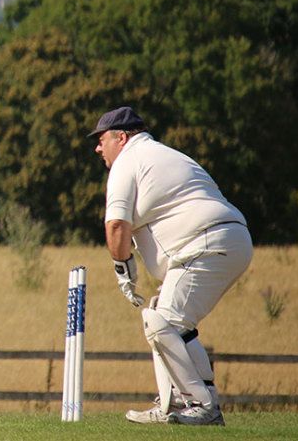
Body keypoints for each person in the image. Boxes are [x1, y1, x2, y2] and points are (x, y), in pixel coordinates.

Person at [89, 107, 252, 426]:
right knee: (166, 316)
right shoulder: (166, 155)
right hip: (229, 237)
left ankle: (202, 406)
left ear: (121, 138)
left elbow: (117, 226)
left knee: (162, 321)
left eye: (101, 139)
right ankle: (173, 403)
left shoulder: (127, 161)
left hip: (206, 242)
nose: (97, 147)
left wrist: (122, 269)